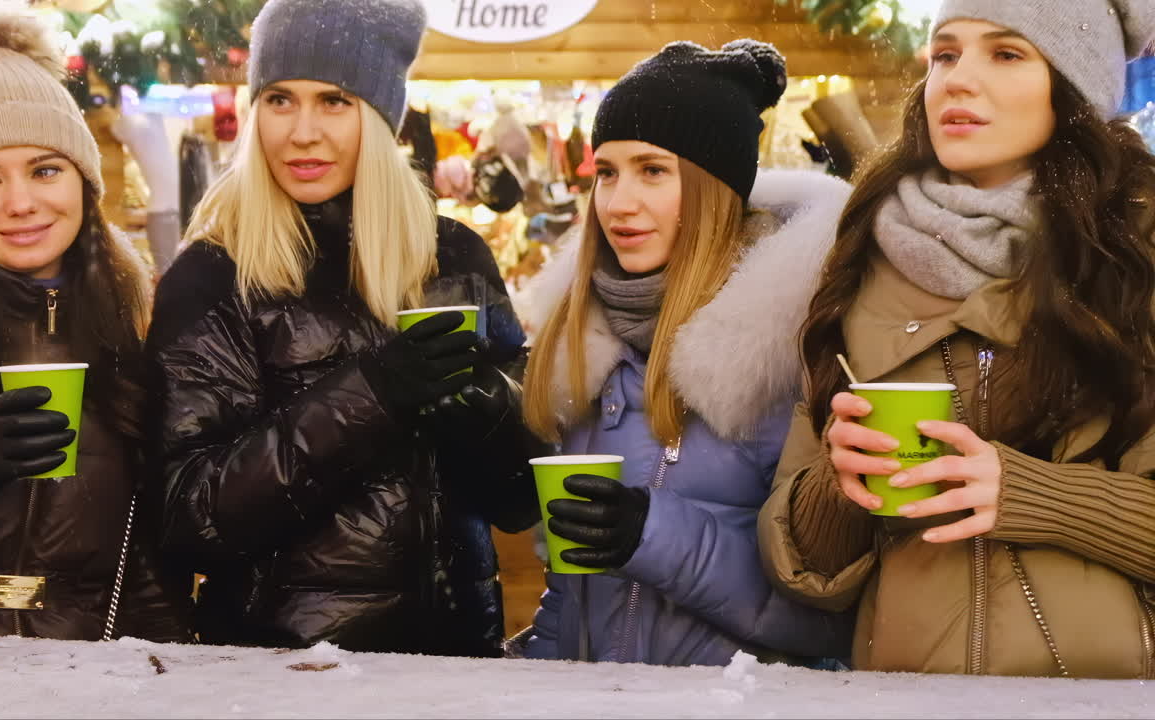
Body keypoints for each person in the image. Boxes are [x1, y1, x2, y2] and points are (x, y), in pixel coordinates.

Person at [758, 0, 1155, 678]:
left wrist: (1032, 494)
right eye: (945, 54)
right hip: (908, 693)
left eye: (1005, 54)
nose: (957, 80)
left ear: (1075, 84)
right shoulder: (862, 253)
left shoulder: (1135, 260)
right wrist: (839, 483)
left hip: (1101, 694)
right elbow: (803, 567)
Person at [146, 0, 541, 657]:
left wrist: (478, 406)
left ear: (381, 117)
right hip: (280, 675)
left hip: (453, 669)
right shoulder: (214, 275)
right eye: (279, 100)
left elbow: (520, 497)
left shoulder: (455, 257)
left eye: (333, 100)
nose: (302, 132)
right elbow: (187, 514)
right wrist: (372, 396)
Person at [517, 39, 855, 667]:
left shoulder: (792, 354)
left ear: (711, 187)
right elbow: (569, 598)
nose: (619, 204)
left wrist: (654, 534)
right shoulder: (587, 352)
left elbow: (833, 621)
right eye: (607, 172)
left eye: (653, 170)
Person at [0, 0, 188, 642]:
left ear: (84, 185)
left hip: (88, 684)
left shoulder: (126, 324)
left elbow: (137, 560)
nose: (20, 204)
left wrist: (173, 666)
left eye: (45, 170)